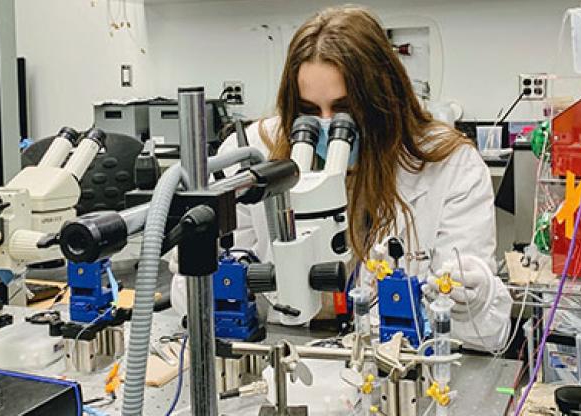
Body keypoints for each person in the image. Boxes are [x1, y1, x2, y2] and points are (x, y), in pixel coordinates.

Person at [171, 5, 512, 351]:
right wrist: (205, 272)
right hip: (285, 352)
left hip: (396, 360)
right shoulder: (253, 151)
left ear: (384, 99)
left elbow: (488, 336)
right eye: (307, 112)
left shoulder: (449, 163)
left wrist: (474, 298)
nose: (327, 126)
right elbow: (200, 304)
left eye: (345, 109)